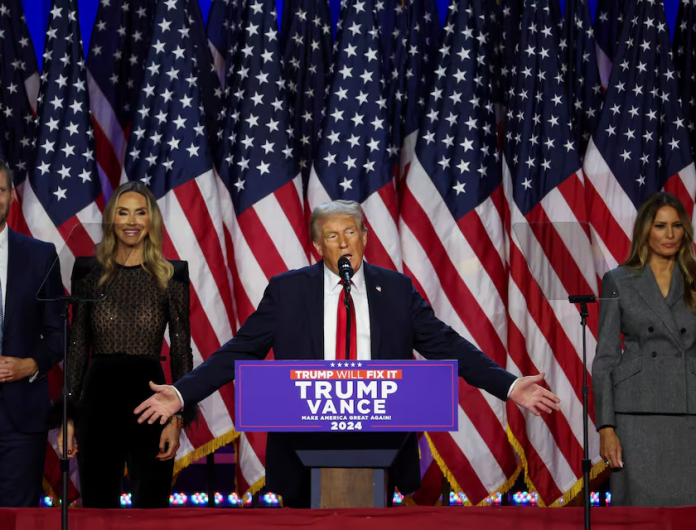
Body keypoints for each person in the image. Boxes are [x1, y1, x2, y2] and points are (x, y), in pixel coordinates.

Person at [135, 200, 560, 508]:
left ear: (366, 237)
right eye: (332, 235)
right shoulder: (287, 290)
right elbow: (239, 350)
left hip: (380, 439)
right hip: (304, 442)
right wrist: (182, 393)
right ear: (317, 246)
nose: (344, 242)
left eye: (351, 232)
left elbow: (446, 344)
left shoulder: (395, 289)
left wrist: (508, 385)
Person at [58, 181, 193, 508]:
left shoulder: (172, 274)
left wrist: (177, 420)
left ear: (152, 221)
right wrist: (69, 416)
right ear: (111, 220)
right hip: (98, 397)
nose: (131, 221)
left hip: (153, 399)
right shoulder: (88, 272)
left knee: (152, 503)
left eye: (140, 213)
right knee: (97, 503)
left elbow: (180, 350)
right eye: (123, 212)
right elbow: (77, 346)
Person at [593, 192, 696, 507]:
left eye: (677, 226)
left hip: (689, 407)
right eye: (661, 226)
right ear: (645, 231)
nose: (670, 235)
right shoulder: (618, 281)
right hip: (635, 414)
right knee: (638, 515)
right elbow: (606, 359)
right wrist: (606, 427)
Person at [0, 156, 64, 507]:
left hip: (22, 419)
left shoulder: (42, 256)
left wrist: (31, 364)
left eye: (0, 189)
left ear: (13, 195)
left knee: (19, 521)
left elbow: (59, 331)